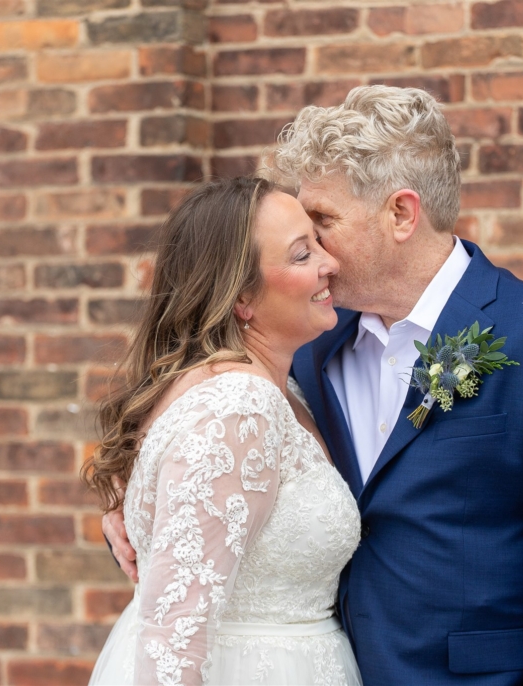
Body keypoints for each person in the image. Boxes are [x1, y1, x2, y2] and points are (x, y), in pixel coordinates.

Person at [107, 85, 523, 685]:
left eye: (323, 223)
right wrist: (129, 512)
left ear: (401, 214)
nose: (317, 253)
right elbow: (212, 456)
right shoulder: (307, 343)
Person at [84, 176, 364, 686]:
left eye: (318, 242)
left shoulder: (280, 390)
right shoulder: (241, 405)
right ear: (241, 299)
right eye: (302, 255)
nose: (330, 263)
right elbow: (172, 643)